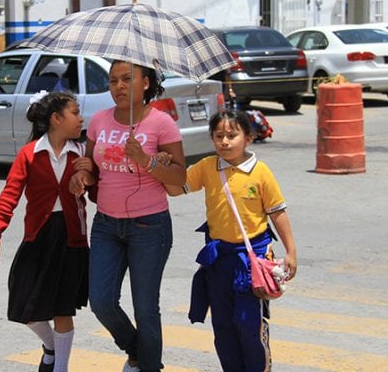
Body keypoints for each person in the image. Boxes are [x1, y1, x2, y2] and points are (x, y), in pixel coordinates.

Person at [70, 60, 187, 372]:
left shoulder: (162, 123)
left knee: (146, 308)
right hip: (106, 224)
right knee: (101, 301)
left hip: (149, 226)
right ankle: (138, 349)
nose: (118, 87)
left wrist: (145, 161)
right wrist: (84, 175)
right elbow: (93, 170)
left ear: (145, 83)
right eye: (112, 81)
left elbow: (178, 176)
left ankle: (148, 366)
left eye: (126, 79)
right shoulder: (98, 121)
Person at [168, 110, 297, 371]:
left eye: (232, 135)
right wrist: (156, 163)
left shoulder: (260, 172)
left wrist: (291, 251)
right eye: (219, 136)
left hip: (253, 261)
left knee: (249, 324)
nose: (225, 141)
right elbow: (175, 188)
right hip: (219, 262)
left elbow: (277, 213)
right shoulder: (206, 167)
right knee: (223, 327)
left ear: (248, 137)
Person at [0, 91, 93, 372]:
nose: (81, 118)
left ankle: (61, 367)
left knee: (63, 308)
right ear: (56, 119)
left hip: (72, 239)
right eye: (75, 112)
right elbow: (10, 195)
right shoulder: (30, 153)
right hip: (39, 237)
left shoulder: (82, 152)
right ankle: (51, 347)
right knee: (24, 305)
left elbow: (98, 191)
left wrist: (89, 175)